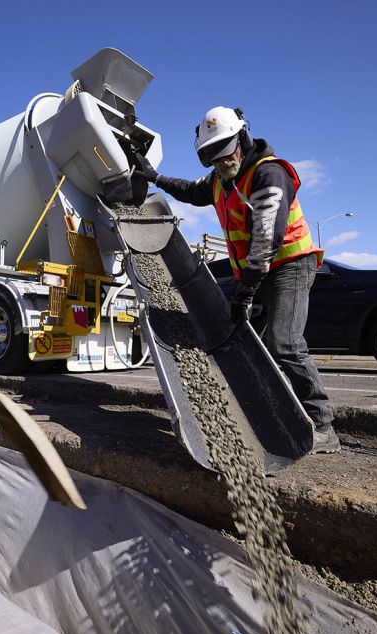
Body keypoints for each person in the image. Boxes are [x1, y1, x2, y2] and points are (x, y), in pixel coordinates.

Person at [136, 106, 340, 454]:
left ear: (242, 140)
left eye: (225, 152)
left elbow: (266, 239)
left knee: (284, 343)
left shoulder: (269, 175)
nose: (220, 162)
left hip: (288, 264)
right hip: (259, 269)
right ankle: (277, 417)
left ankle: (322, 426)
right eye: (212, 157)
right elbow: (190, 190)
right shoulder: (221, 179)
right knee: (254, 345)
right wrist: (154, 178)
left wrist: (245, 291)